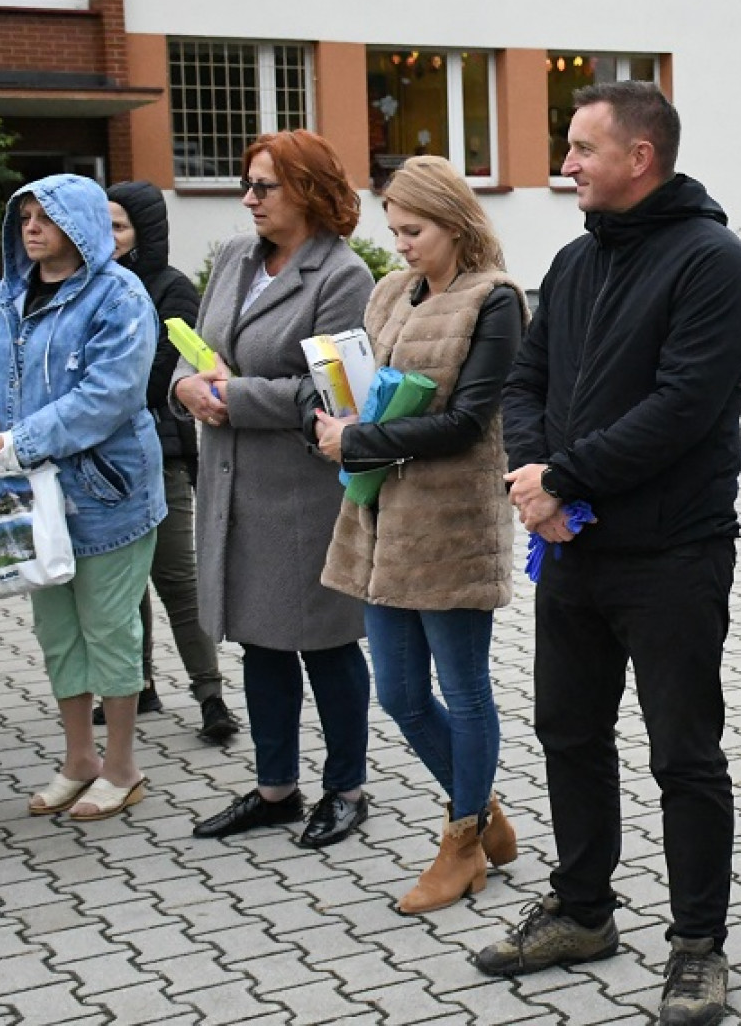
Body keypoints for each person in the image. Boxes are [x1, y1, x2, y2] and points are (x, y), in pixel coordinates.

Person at [480, 81, 741, 1026]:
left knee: (683, 754)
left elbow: (684, 408)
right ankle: (583, 911)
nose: (565, 165)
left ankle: (698, 948)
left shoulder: (713, 262)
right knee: (568, 732)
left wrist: (565, 479)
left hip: (672, 553)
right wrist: (537, 482)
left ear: (640, 157)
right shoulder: (575, 261)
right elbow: (524, 383)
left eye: (581, 149)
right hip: (571, 549)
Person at [317, 156, 527, 912]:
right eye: (395, 230)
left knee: (463, 691)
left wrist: (358, 441)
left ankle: (462, 843)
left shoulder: (493, 300)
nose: (400, 245)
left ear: (456, 223)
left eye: (414, 231)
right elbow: (368, 388)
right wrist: (334, 416)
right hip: (379, 521)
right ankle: (482, 810)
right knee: (401, 696)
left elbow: (469, 423)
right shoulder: (390, 291)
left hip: (450, 527)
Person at [177, 131, 376, 849]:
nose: (249, 199)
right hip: (232, 486)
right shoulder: (236, 256)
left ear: (309, 192)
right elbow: (201, 353)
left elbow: (331, 394)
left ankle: (346, 790)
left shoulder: (342, 276)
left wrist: (231, 398)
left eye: (265, 187)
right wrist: (184, 386)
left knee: (325, 643)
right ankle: (275, 790)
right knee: (259, 641)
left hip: (302, 493)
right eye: (248, 184)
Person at [0, 174, 165, 820]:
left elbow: (110, 395)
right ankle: (79, 760)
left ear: (80, 224)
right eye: (25, 218)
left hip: (107, 494)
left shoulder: (119, 296)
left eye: (47, 217)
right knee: (57, 632)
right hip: (28, 498)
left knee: (110, 628)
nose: (32, 228)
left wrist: (13, 442)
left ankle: (123, 767)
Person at [103, 181, 238, 743]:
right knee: (122, 583)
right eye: (102, 224)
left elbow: (161, 375)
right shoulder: (90, 286)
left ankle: (211, 696)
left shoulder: (171, 288)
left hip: (160, 455)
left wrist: (95, 395)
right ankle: (139, 684)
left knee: (176, 579)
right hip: (99, 461)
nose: (108, 236)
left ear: (145, 232)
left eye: (118, 226)